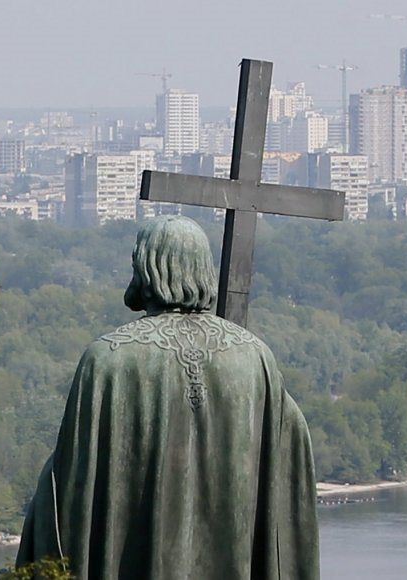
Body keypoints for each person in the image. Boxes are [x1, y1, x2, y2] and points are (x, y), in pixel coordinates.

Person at [16, 216, 319, 579]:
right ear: (203, 270)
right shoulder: (255, 357)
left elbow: (69, 489)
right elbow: (290, 461)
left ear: (145, 268)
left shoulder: (108, 359)